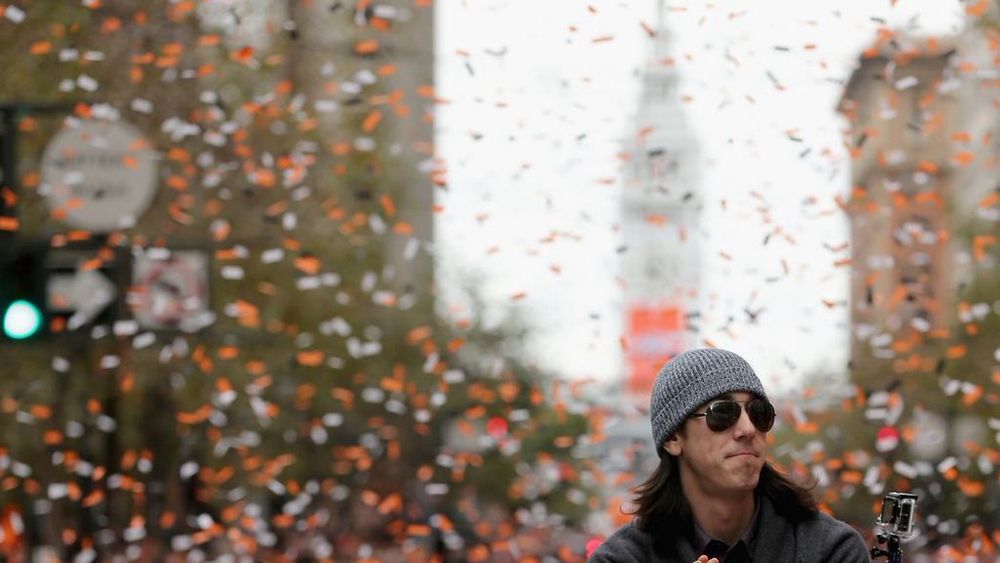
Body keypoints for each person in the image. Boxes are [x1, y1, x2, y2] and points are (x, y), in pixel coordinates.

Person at [588, 348, 869, 563]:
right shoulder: (621, 558)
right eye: (722, 413)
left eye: (759, 413)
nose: (747, 429)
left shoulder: (831, 549)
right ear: (674, 437)